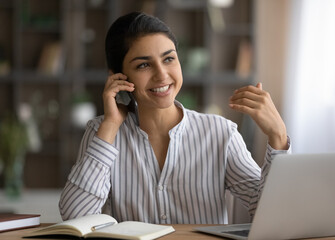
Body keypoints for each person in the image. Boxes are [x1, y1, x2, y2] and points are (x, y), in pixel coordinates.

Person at [59, 12, 290, 224]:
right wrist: (110, 126)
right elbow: (75, 217)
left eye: (168, 59)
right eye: (143, 65)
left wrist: (278, 136)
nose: (162, 75)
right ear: (118, 77)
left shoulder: (220, 133)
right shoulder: (102, 132)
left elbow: (275, 215)